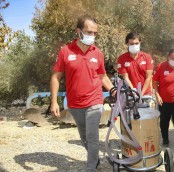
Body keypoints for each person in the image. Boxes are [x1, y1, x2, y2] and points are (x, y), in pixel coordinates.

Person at [50, 15, 114, 172]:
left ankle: (91, 167)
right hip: (75, 103)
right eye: (89, 32)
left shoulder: (97, 53)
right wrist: (53, 102)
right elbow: (56, 77)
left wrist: (113, 90)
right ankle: (95, 159)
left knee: (92, 136)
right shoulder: (66, 52)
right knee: (84, 137)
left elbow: (102, 76)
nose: (92, 36)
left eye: (94, 33)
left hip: (95, 100)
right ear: (78, 31)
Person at [153, 48, 174, 153]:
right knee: (164, 122)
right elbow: (155, 82)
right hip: (164, 101)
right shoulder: (161, 67)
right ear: (168, 57)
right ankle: (165, 140)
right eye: (172, 58)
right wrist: (157, 95)